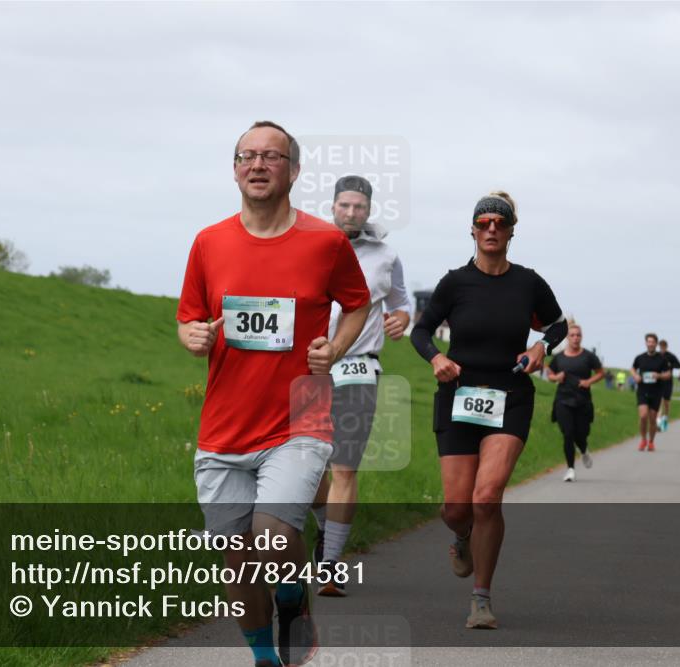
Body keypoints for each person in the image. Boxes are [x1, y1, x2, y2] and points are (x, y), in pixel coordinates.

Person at [177, 121, 371, 667]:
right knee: (235, 559)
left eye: (272, 156)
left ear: (294, 169)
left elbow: (357, 303)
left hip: (299, 419)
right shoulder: (208, 242)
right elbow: (189, 317)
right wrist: (193, 335)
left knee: (271, 534)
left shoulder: (325, 242)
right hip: (224, 428)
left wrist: (333, 349)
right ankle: (266, 658)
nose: (258, 165)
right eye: (247, 156)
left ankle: (291, 592)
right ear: (235, 168)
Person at [410, 191, 567, 629]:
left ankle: (481, 598)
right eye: (484, 223)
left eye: (500, 222)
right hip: (459, 395)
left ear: (512, 230)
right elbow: (420, 331)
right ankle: (461, 536)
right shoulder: (455, 282)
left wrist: (541, 346)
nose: (492, 229)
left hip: (510, 395)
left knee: (486, 497)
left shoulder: (528, 282)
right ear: (473, 230)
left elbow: (558, 324)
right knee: (457, 508)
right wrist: (436, 358)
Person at [310, 175, 413, 597]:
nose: (351, 213)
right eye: (344, 206)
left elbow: (402, 301)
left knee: (344, 466)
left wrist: (402, 319)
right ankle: (324, 534)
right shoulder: (309, 245)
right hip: (309, 370)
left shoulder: (385, 255)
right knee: (307, 469)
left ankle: (330, 565)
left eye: (359, 207)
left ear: (368, 210)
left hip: (357, 369)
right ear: (332, 207)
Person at [547, 323, 605, 482]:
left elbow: (601, 373)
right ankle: (570, 469)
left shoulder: (588, 356)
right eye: (572, 335)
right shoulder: (559, 358)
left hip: (582, 401)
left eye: (578, 335)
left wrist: (589, 381)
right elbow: (550, 373)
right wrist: (556, 378)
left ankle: (584, 450)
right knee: (567, 434)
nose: (575, 338)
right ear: (567, 338)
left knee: (581, 434)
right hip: (563, 400)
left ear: (581, 337)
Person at [631, 333, 669, 451]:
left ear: (656, 344)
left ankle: (651, 442)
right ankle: (643, 440)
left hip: (656, 392)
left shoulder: (662, 359)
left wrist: (659, 375)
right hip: (643, 390)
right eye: (648, 341)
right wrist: (635, 376)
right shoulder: (640, 357)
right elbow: (632, 368)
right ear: (646, 343)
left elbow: (668, 374)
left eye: (653, 342)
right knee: (643, 416)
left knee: (652, 419)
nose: (650, 344)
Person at [656, 339, 680, 432]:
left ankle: (665, 418)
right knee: (659, 401)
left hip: (668, 381)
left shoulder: (671, 356)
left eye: (664, 346)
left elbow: (679, 365)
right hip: (658, 381)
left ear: (666, 347)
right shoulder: (657, 355)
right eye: (661, 346)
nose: (662, 348)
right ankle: (658, 421)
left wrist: (671, 365)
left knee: (666, 402)